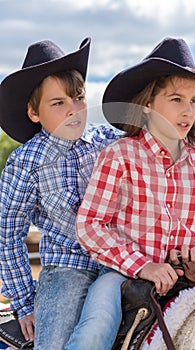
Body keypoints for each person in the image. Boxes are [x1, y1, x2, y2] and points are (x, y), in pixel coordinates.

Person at [65, 37, 195, 349]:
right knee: (95, 330)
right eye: (175, 99)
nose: (187, 111)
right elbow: (90, 224)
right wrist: (142, 265)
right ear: (147, 105)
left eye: (194, 101)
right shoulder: (120, 156)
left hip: (185, 281)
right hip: (121, 276)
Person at [0, 37, 124, 350]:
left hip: (120, 260)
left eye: (79, 98)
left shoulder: (107, 140)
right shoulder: (26, 161)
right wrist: (26, 303)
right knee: (53, 343)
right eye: (58, 103)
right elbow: (8, 235)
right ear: (33, 112)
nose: (74, 111)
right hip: (68, 267)